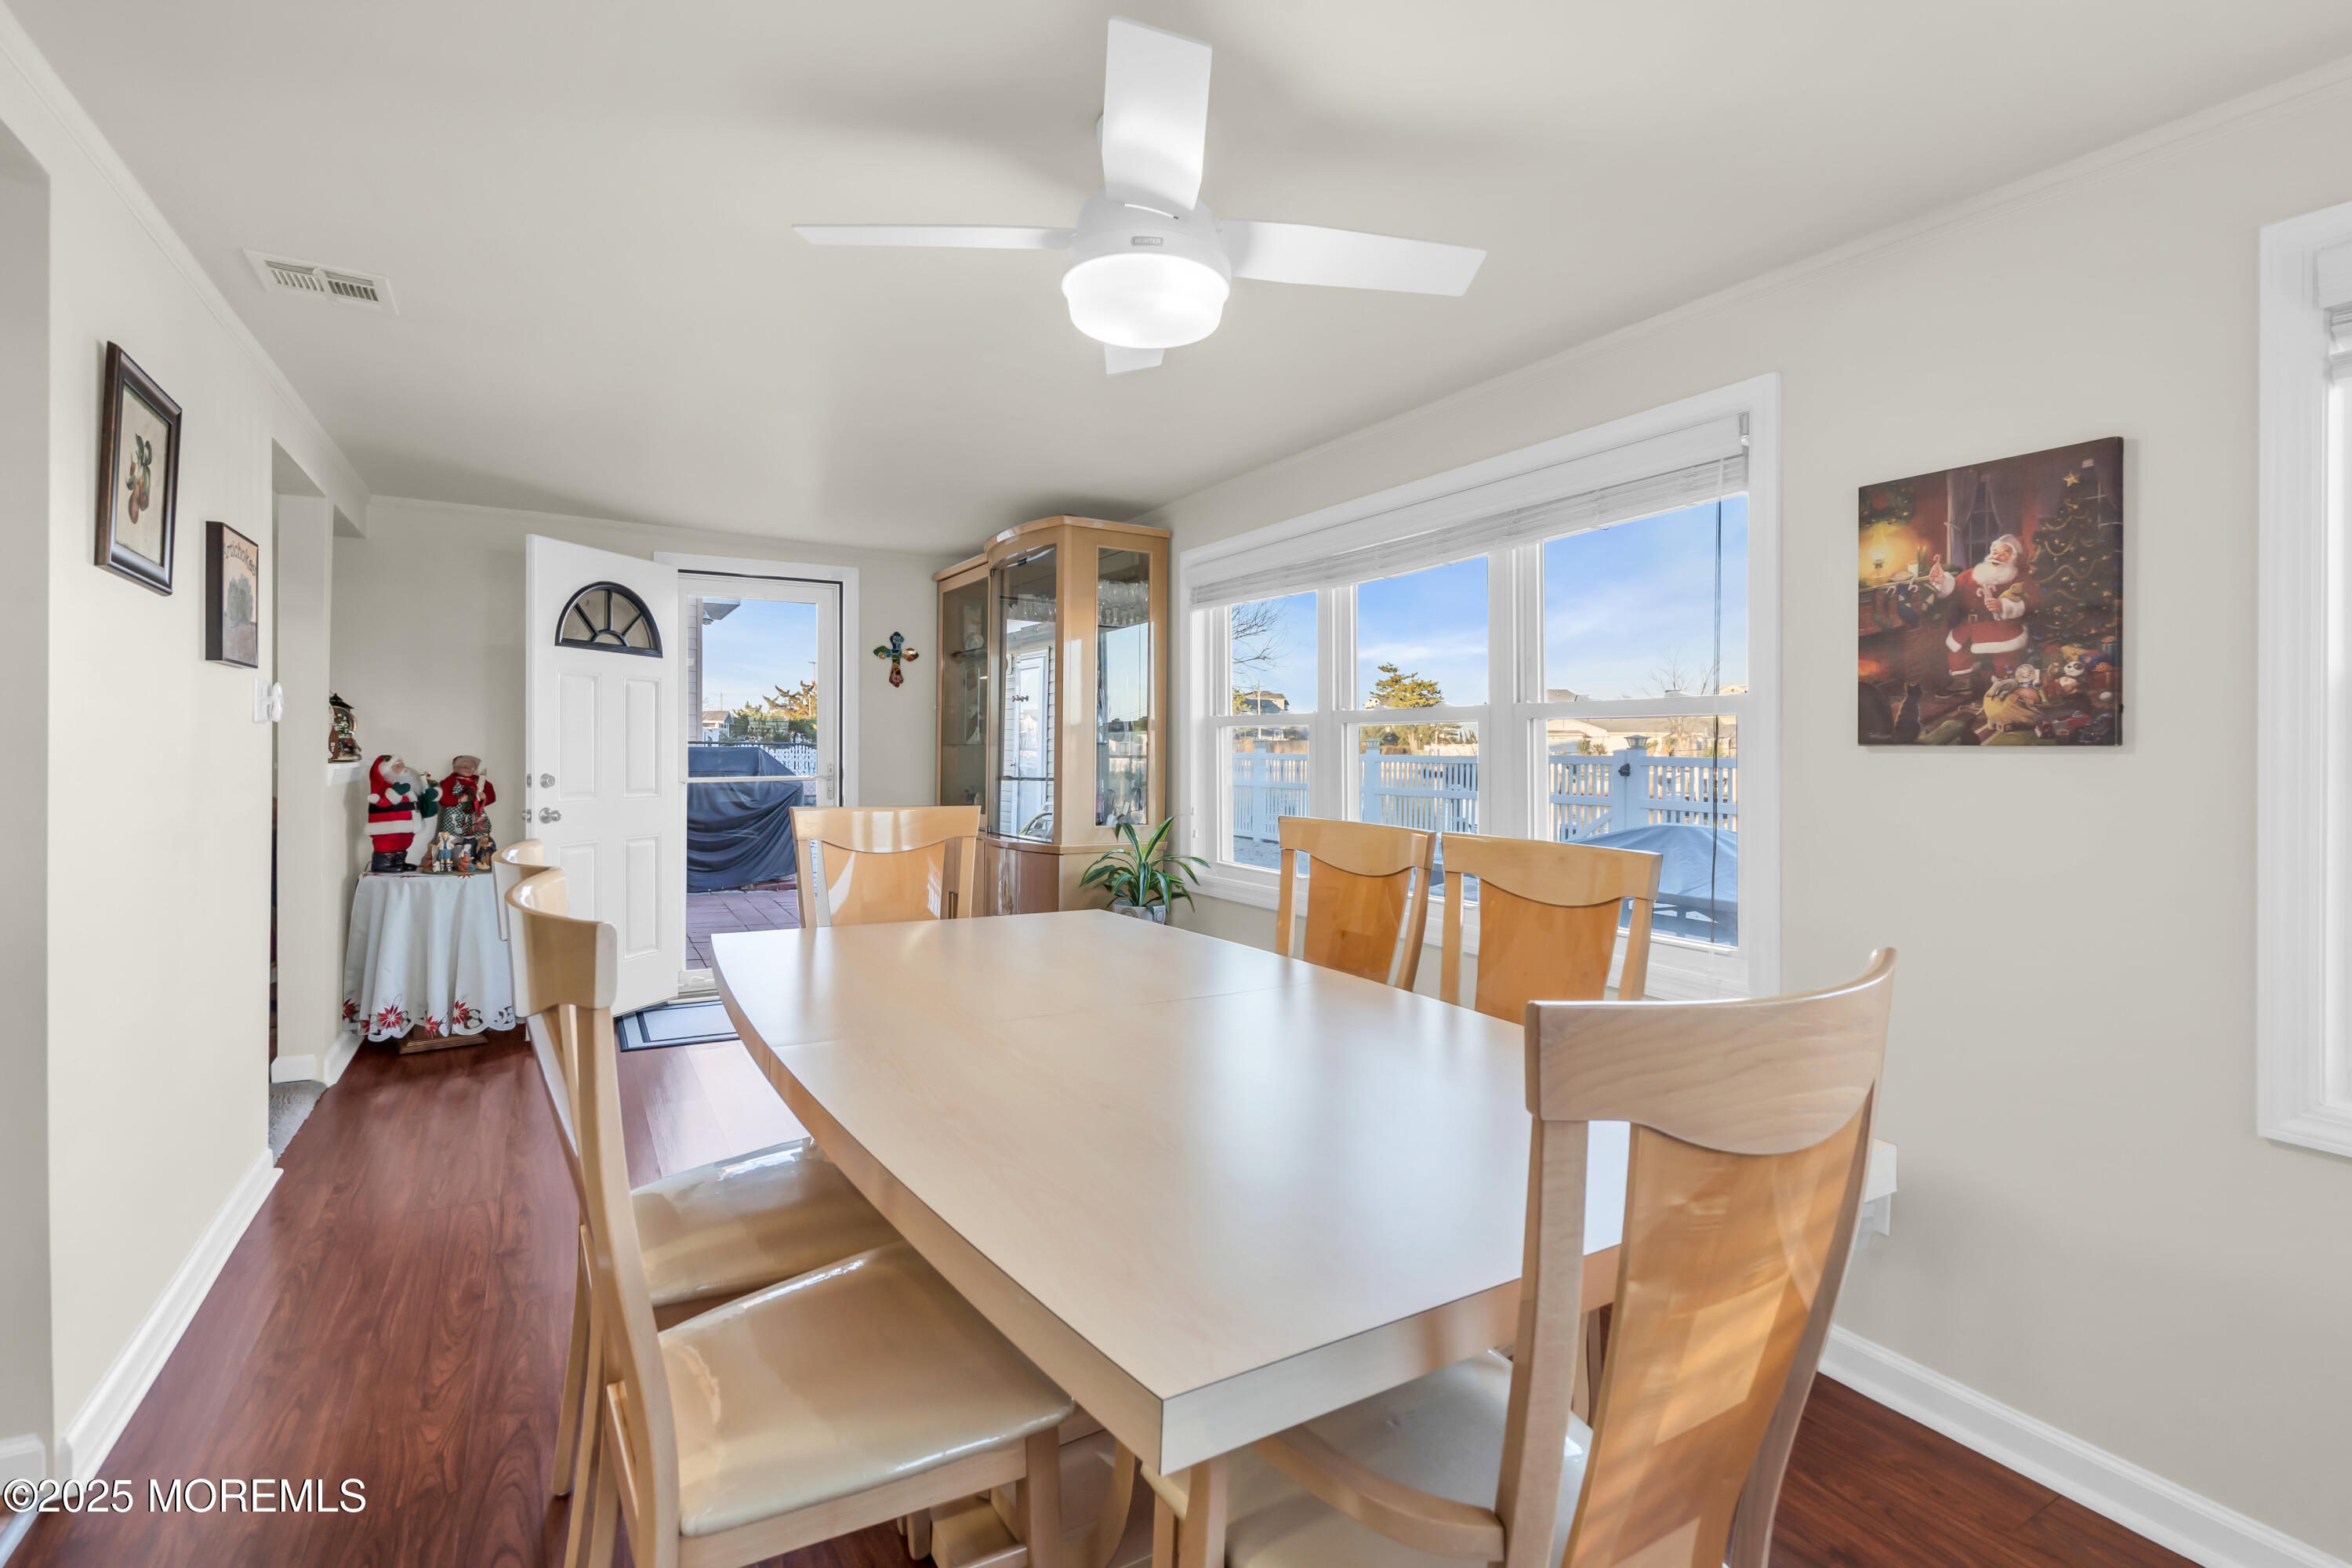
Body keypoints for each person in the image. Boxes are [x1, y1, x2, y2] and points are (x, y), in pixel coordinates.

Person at [1926, 533, 2038, 689]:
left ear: (2014, 558)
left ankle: (2004, 685)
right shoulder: (1973, 573)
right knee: (1957, 651)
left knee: (2005, 659)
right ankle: (1962, 683)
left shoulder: (2019, 577)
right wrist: (1942, 581)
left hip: (2001, 627)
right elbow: (1955, 588)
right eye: (1995, 551)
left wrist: (2004, 605)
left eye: (2005, 553)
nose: (1997, 556)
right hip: (1970, 625)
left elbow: (2034, 600)